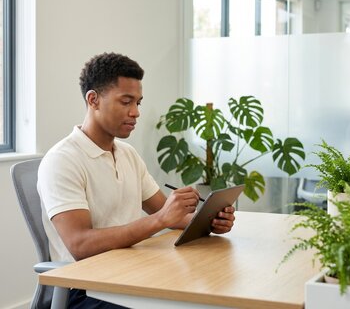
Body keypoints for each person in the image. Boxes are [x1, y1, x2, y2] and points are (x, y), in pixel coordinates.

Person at [37, 52, 235, 308]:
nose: (135, 112)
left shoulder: (127, 154)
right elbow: (80, 244)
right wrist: (161, 219)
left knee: (212, 289)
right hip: (84, 288)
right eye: (126, 102)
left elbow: (169, 215)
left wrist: (209, 221)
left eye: (138, 103)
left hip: (131, 273)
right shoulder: (62, 160)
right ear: (93, 99)